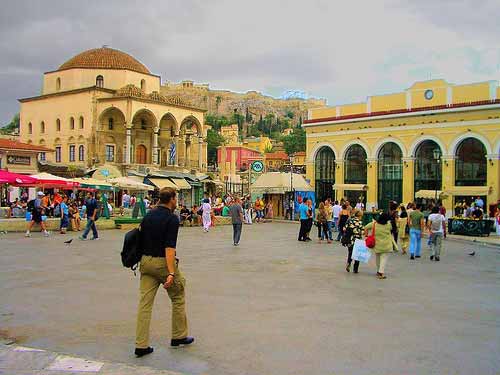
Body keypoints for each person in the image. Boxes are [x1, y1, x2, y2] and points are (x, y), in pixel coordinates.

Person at [135, 187, 193, 357]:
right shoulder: (171, 219)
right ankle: (178, 336)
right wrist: (171, 273)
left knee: (145, 304)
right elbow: (169, 248)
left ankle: (141, 345)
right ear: (172, 199)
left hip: (145, 262)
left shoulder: (148, 215)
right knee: (178, 295)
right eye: (176, 198)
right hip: (163, 263)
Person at [364, 212, 397, 279]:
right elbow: (394, 229)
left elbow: (366, 227)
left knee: (378, 258)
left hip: (377, 244)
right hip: (386, 244)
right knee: (384, 258)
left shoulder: (374, 224)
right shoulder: (389, 225)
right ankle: (381, 272)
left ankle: (378, 270)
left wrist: (366, 235)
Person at [345, 209, 364, 273]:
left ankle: (348, 263)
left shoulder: (349, 220)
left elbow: (345, 228)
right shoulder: (360, 222)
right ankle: (355, 269)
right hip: (357, 240)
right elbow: (362, 231)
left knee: (350, 253)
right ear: (360, 216)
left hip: (349, 239)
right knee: (357, 255)